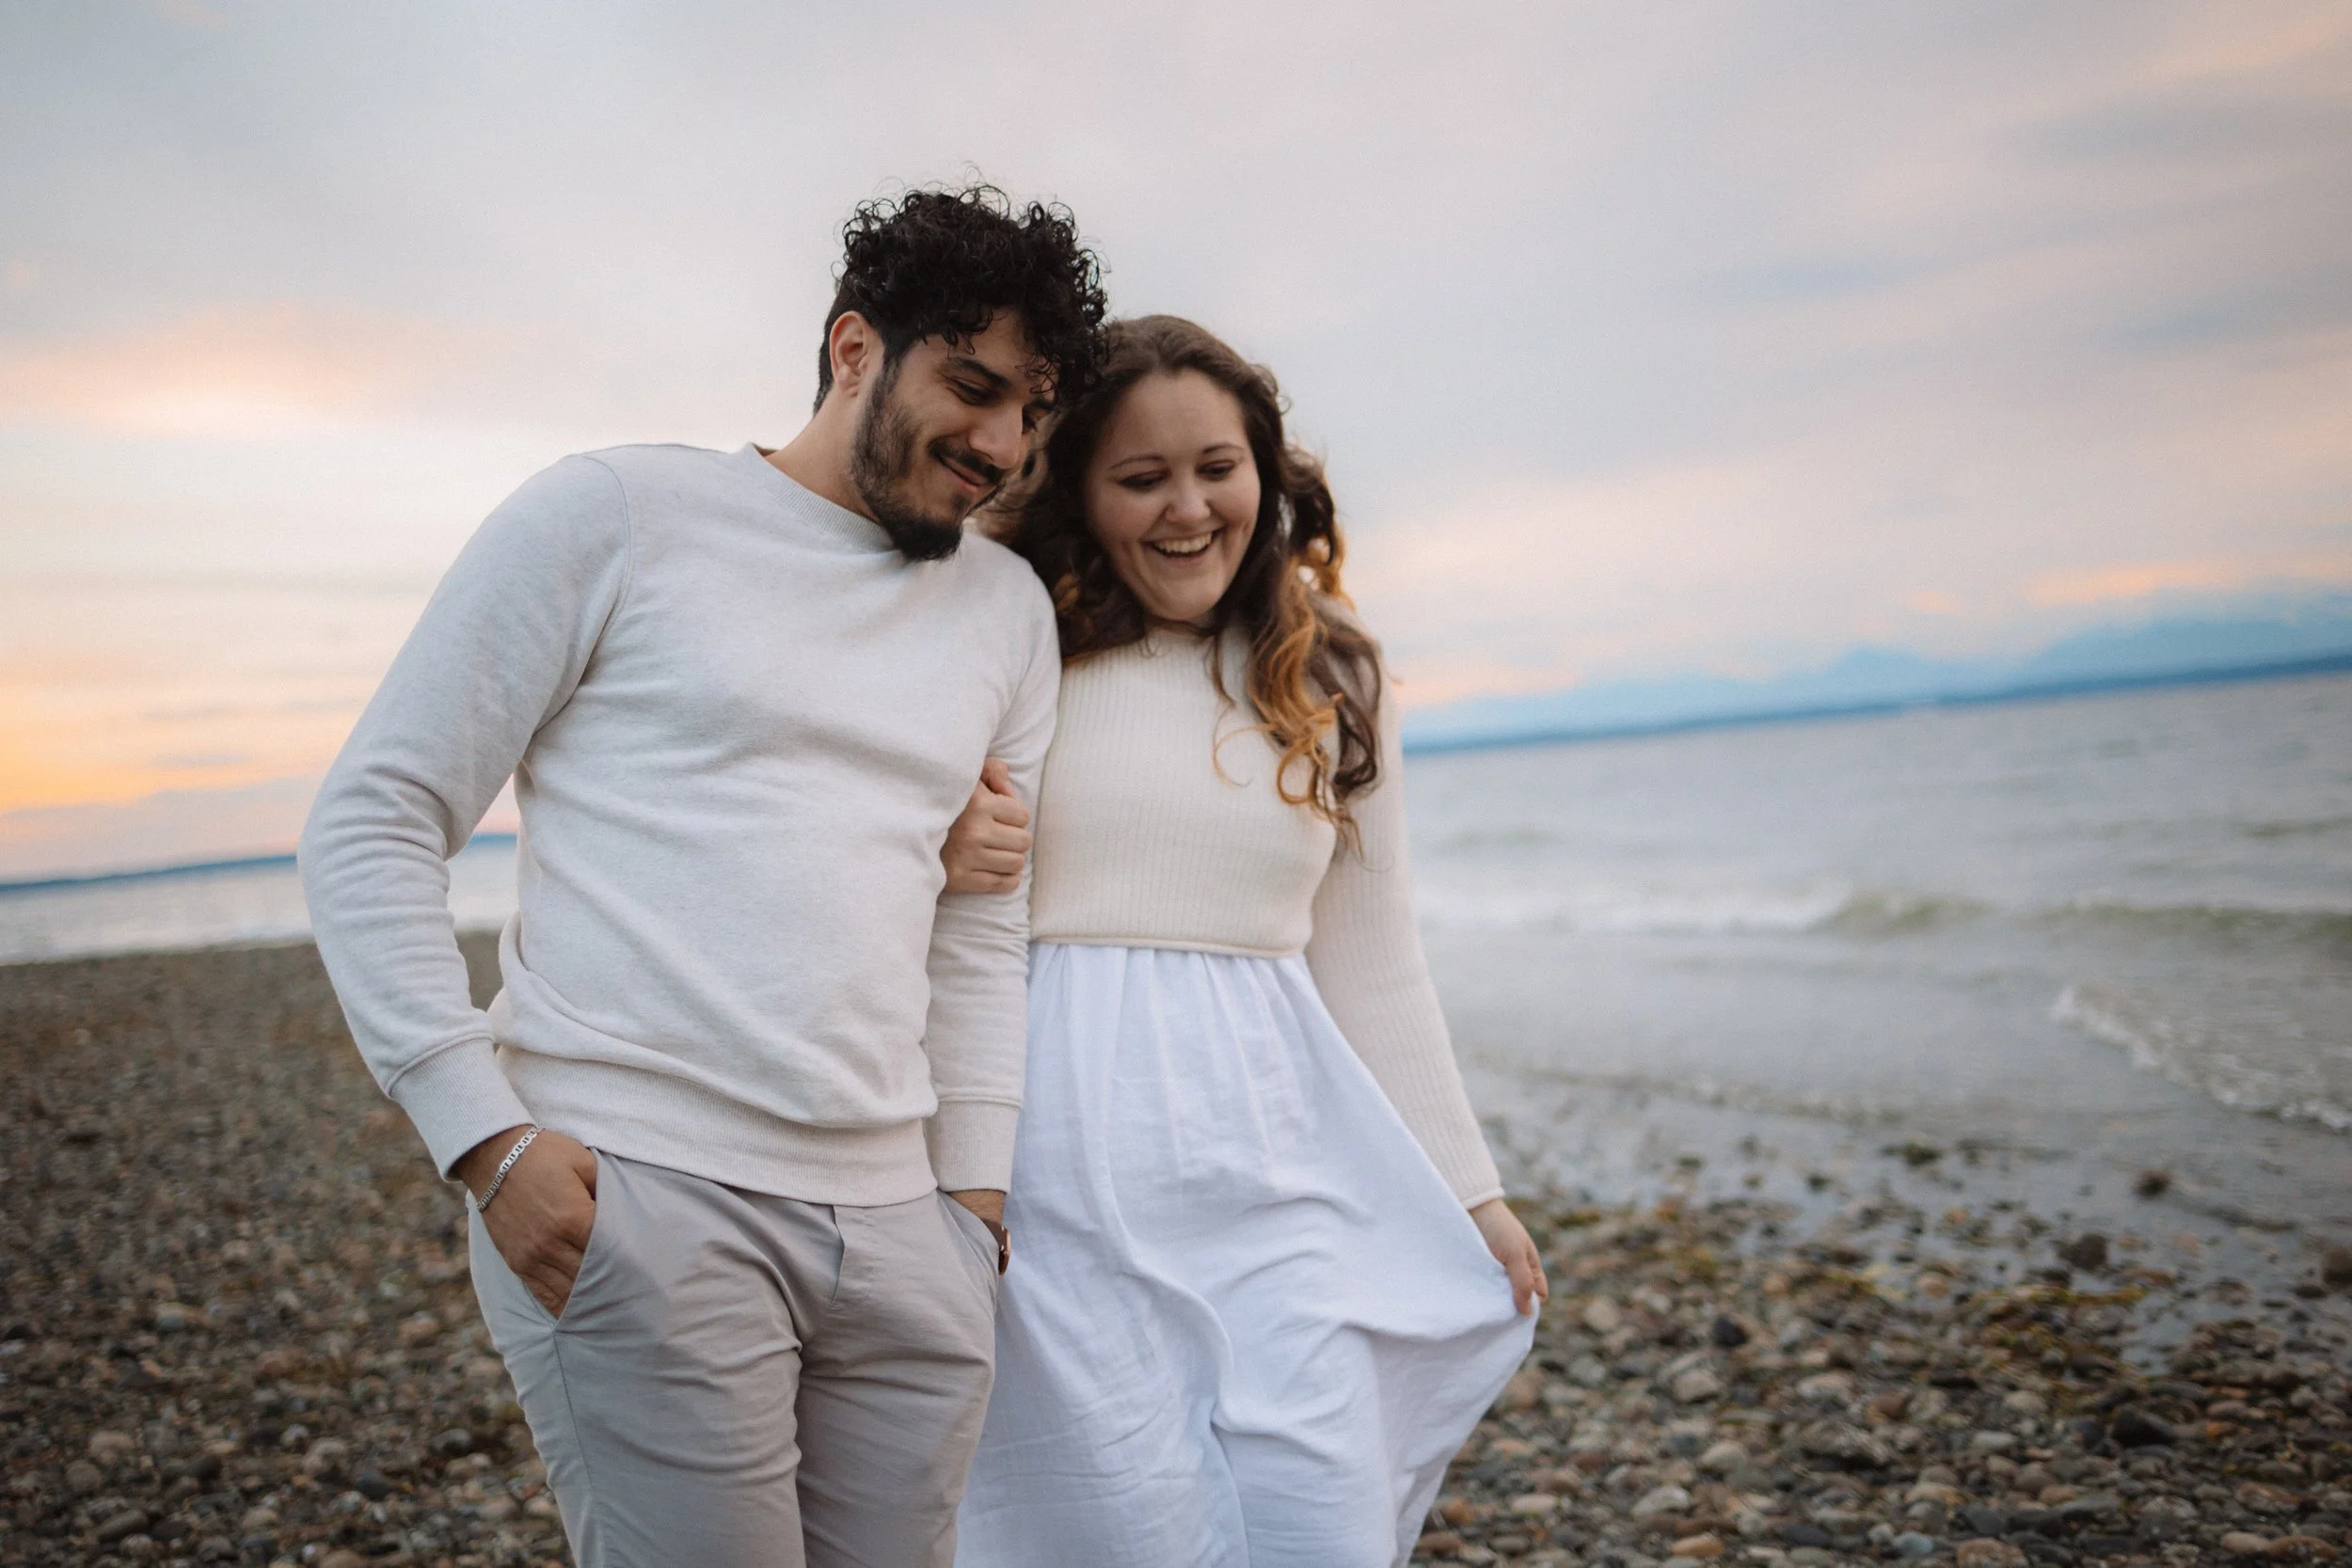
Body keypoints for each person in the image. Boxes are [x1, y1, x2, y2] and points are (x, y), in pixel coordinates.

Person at [297, 184, 1106, 1568]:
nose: (1000, 444)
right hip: (642, 1201)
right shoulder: (614, 514)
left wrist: (970, 1202)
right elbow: (374, 813)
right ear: (855, 348)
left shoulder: (1003, 612)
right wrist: (486, 1140)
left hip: (904, 1227)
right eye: (972, 386)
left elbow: (980, 921)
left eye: (1031, 409)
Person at [940, 315, 1547, 1567]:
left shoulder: (1331, 671)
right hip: (1057, 1184)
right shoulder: (1011, 641)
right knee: (1119, 1528)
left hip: (1283, 1166)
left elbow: (1374, 955)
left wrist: (1470, 1187)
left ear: (1265, 472)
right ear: (1081, 489)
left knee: (1320, 1515)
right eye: (1142, 477)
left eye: (1216, 466)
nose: (1187, 508)